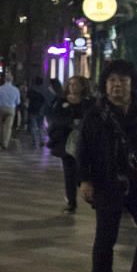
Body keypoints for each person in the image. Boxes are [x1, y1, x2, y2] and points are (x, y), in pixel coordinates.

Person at [78, 60, 137, 272]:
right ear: (105, 85)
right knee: (106, 235)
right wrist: (85, 180)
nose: (117, 85)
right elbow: (83, 148)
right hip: (107, 181)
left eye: (122, 80)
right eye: (112, 81)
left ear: (132, 83)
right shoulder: (96, 113)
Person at [47, 75, 94, 214]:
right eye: (70, 84)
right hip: (65, 141)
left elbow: (92, 118)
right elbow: (54, 118)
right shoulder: (60, 101)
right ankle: (71, 201)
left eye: (76, 84)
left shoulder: (89, 102)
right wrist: (70, 122)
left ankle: (87, 191)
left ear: (83, 87)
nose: (73, 87)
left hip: (84, 142)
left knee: (82, 169)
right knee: (69, 172)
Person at [0, 74, 20, 149]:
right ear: (12, 80)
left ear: (4, 80)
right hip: (11, 108)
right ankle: (5, 143)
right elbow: (18, 102)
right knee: (8, 127)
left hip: (1, 108)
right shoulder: (16, 89)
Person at [27, 76, 52, 150]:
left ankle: (35, 141)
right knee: (40, 126)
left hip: (32, 110)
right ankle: (41, 140)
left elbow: (28, 100)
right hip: (41, 111)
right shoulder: (44, 90)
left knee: (34, 126)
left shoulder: (31, 90)